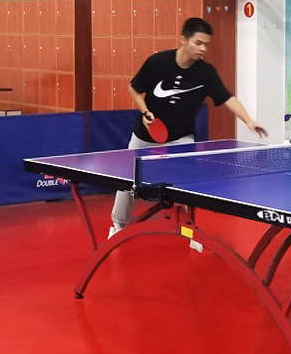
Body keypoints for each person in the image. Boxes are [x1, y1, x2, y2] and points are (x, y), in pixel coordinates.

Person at [109, 16, 267, 237]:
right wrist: (144, 111)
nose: (203, 49)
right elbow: (134, 88)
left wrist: (248, 120)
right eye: (198, 43)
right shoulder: (158, 62)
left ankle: (190, 228)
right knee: (127, 179)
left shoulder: (206, 73)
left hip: (181, 137)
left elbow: (227, 97)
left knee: (188, 183)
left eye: (206, 45)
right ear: (183, 40)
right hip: (145, 134)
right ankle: (118, 225)